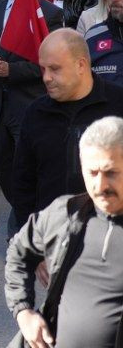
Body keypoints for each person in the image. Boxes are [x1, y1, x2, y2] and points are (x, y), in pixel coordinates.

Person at [4, 116, 123, 348]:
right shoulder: (65, 214)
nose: (100, 185)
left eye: (111, 172)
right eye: (92, 172)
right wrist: (23, 311)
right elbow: (18, 252)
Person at [0, 0, 64, 221]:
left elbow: (49, 63)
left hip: (28, 103)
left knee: (28, 170)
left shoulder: (48, 13)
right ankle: (24, 216)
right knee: (3, 170)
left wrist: (10, 70)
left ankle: (25, 227)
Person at [11, 29, 123, 228]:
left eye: (54, 69)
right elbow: (23, 185)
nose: (46, 77)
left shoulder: (118, 105)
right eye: (43, 69)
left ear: (81, 65)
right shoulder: (36, 114)